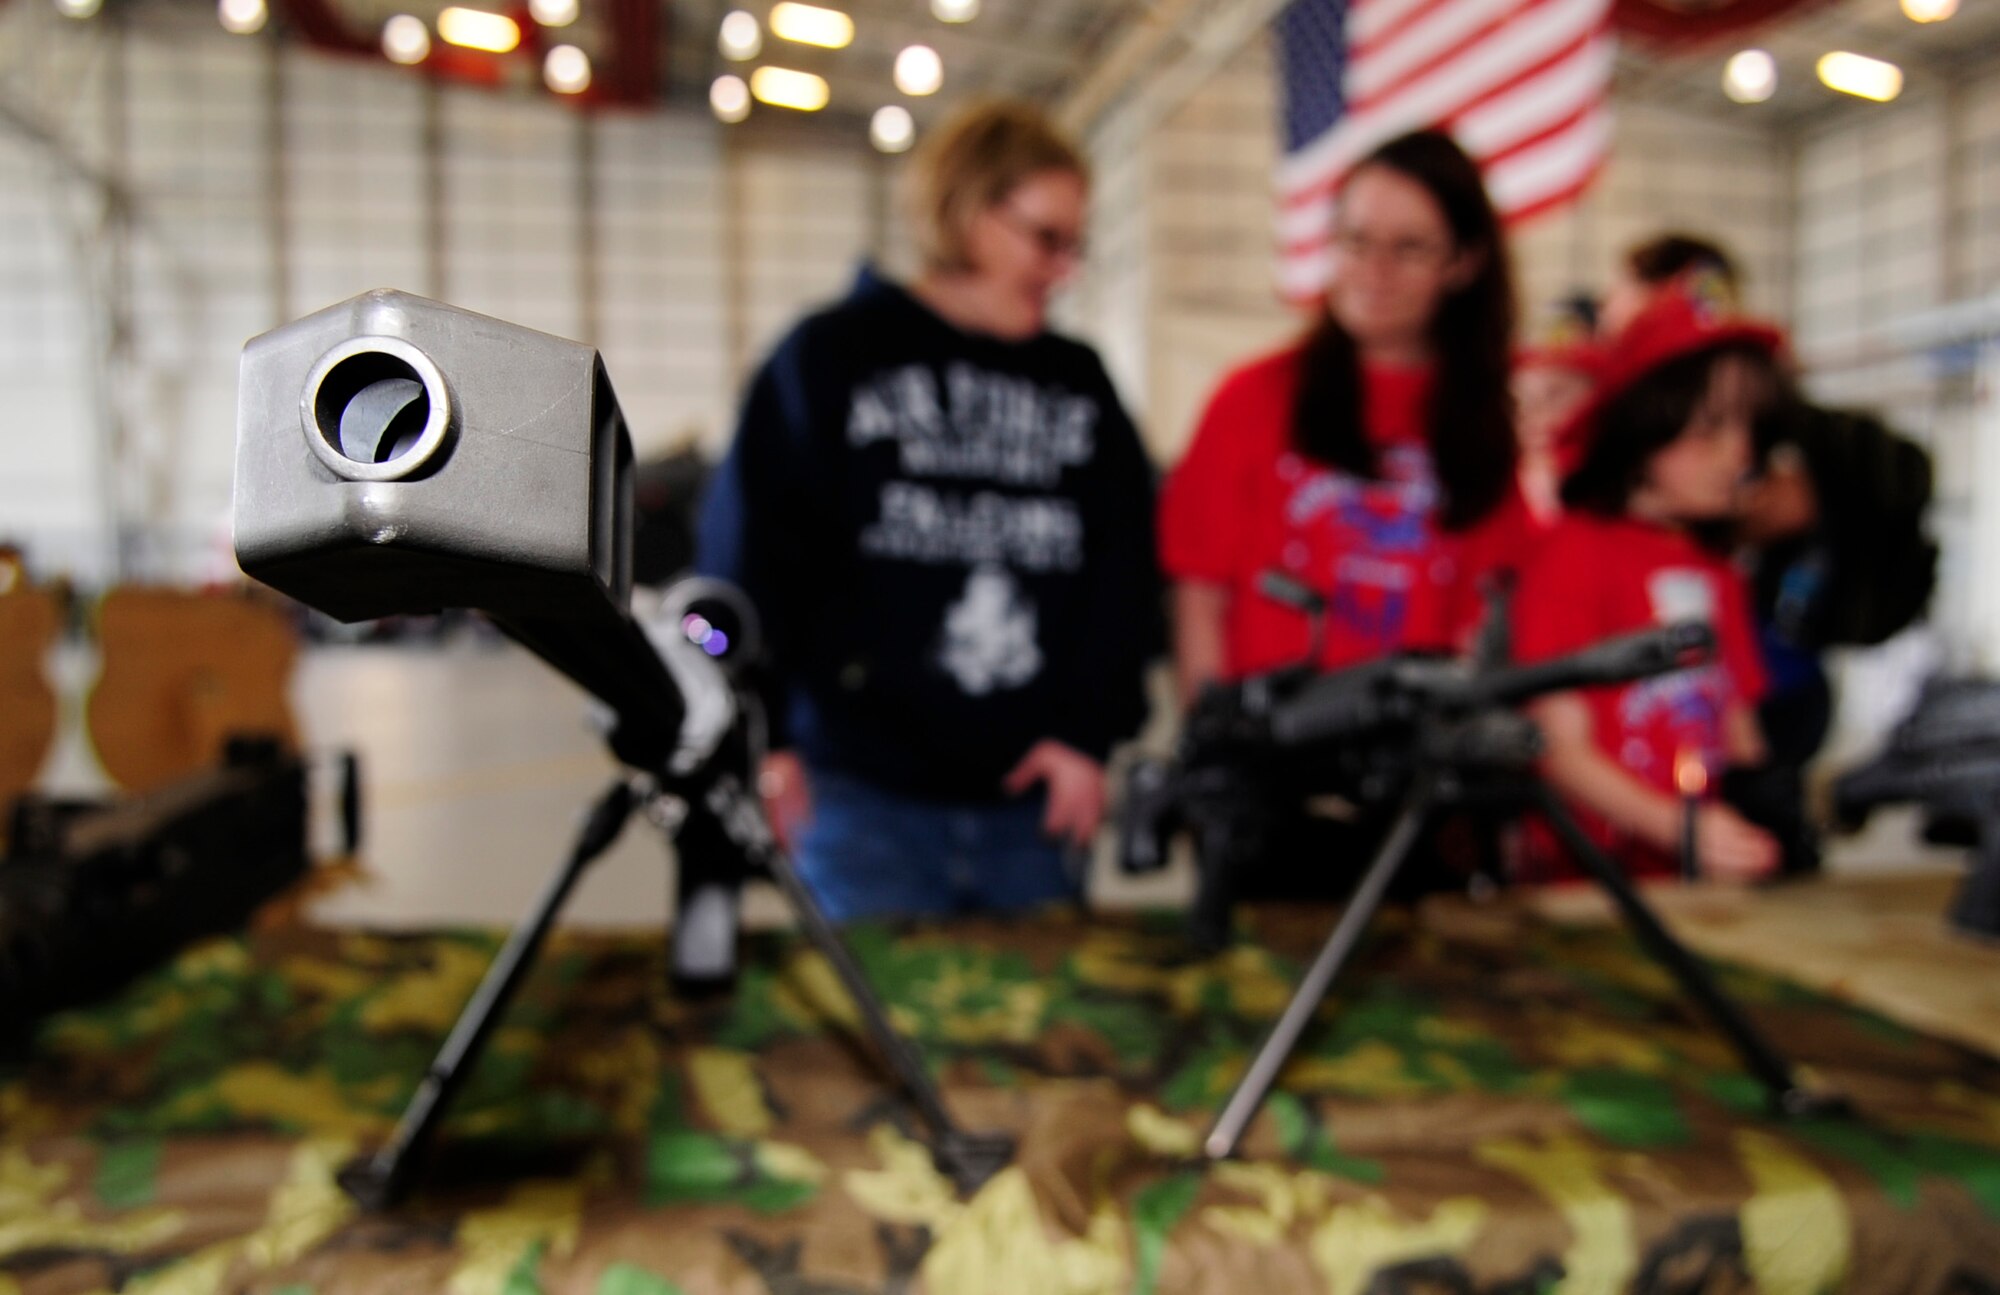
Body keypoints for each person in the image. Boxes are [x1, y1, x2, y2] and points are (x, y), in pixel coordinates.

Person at [694, 100, 1161, 923]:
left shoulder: (1078, 382)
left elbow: (1122, 575)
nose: (1065, 269)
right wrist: (763, 738)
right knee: (871, 1041)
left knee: (1038, 1037)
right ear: (970, 214)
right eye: (1046, 239)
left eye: (1075, 244)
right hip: (860, 792)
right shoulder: (830, 356)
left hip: (1034, 801)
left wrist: (1090, 737)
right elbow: (753, 555)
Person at [1157, 128, 1526, 899]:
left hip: (1412, 793)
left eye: (1409, 247)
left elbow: (1488, 621)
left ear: (1464, 262)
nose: (1373, 271)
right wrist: (1215, 751)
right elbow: (1202, 598)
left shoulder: (1483, 431)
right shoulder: (1253, 399)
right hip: (1271, 778)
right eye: (1355, 240)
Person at [1512, 279, 1784, 883]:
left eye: (1750, 431)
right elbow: (1558, 747)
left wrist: (1768, 806)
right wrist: (1677, 828)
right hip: (1584, 878)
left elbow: (1736, 721)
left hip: (1695, 873)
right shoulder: (1574, 554)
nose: (1738, 456)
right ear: (1643, 429)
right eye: (1709, 430)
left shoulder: (1717, 569)